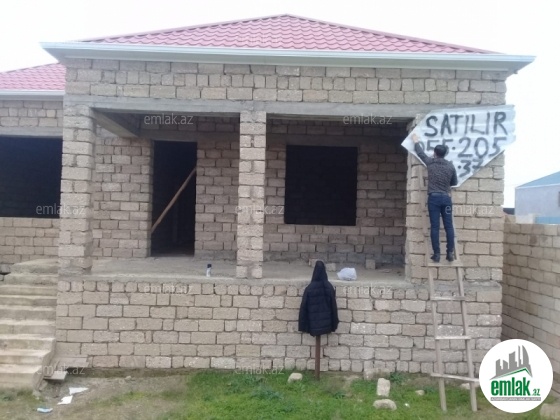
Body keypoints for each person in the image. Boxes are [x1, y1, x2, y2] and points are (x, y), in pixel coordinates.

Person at [412, 133, 458, 262]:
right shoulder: (450, 166)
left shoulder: (431, 163)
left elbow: (421, 153)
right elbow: (454, 182)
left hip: (434, 199)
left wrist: (416, 141)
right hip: (446, 199)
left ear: (434, 153)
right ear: (445, 154)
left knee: (435, 227)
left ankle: (437, 254)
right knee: (449, 226)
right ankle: (450, 253)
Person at [298, 261, 339, 337]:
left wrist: (302, 325)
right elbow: (333, 307)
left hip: (313, 324)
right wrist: (334, 324)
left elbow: (303, 308)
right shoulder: (329, 287)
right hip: (327, 324)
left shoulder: (309, 288)